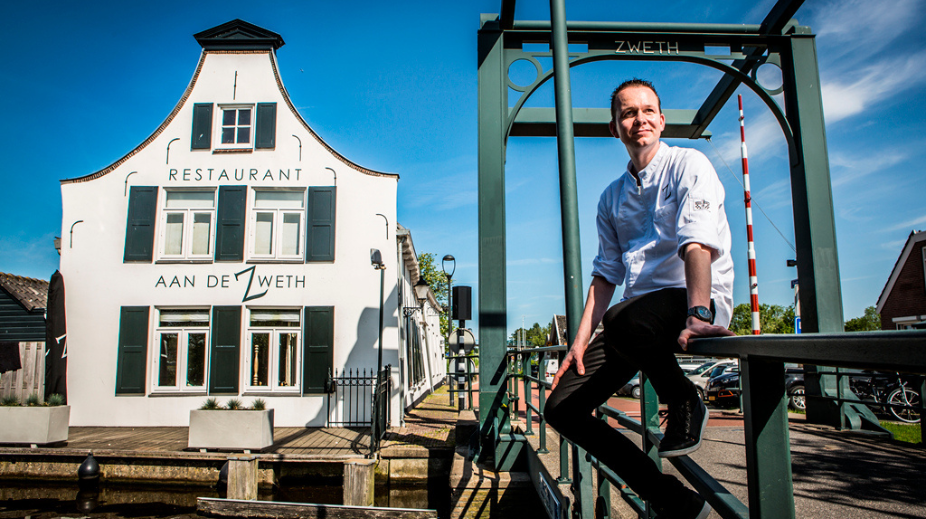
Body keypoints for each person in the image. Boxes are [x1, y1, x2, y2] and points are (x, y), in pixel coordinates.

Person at [545, 79, 735, 518]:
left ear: (662, 119)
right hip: (636, 319)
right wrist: (577, 343)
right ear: (616, 127)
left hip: (689, 297)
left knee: (626, 317)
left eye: (648, 110)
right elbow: (606, 272)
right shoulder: (612, 197)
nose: (639, 119)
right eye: (628, 113)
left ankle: (684, 397)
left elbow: (696, 243)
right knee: (562, 408)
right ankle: (673, 499)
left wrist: (698, 312)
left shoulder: (689, 164)